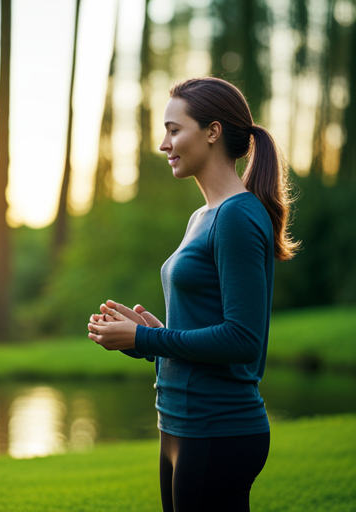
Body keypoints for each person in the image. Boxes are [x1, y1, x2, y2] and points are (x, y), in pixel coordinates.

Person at [87, 77, 299, 512]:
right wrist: (150, 338)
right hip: (180, 423)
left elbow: (242, 340)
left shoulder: (238, 217)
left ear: (213, 131)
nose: (164, 144)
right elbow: (207, 330)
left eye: (174, 129)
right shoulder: (203, 216)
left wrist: (147, 339)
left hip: (218, 426)